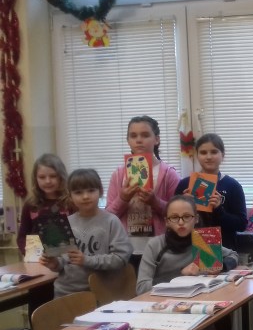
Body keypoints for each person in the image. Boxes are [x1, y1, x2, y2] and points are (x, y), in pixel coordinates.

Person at [136, 195, 235, 330]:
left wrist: (222, 265)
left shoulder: (203, 240)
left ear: (196, 219)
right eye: (174, 217)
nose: (181, 222)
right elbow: (141, 287)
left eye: (187, 217)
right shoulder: (156, 245)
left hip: (196, 309)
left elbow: (233, 255)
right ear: (167, 221)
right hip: (164, 311)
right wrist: (179, 275)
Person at [40, 169, 132, 297]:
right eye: (78, 192)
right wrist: (54, 263)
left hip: (100, 294)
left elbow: (121, 258)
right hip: (65, 292)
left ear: (100, 191)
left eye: (91, 190)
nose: (85, 196)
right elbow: (62, 263)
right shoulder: (63, 224)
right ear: (70, 195)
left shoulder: (111, 221)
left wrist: (87, 260)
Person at [107, 115, 180, 270]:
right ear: (128, 141)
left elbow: (178, 215)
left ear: (156, 139)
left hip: (160, 249)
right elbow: (108, 217)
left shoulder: (169, 174)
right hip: (126, 250)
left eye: (145, 135)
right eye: (133, 136)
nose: (139, 140)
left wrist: (155, 202)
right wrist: (123, 198)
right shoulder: (118, 174)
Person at [175, 133, 247, 250]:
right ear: (197, 155)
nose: (208, 157)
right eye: (203, 152)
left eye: (214, 152)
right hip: (189, 248)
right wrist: (184, 205)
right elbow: (173, 220)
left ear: (223, 155)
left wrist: (219, 210)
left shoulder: (233, 186)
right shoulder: (184, 184)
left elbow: (241, 224)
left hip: (224, 249)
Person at [17, 154, 74, 256]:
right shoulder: (30, 204)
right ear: (36, 179)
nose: (47, 181)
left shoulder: (70, 203)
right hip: (38, 258)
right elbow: (22, 236)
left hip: (67, 258)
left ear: (61, 177)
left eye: (53, 176)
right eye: (42, 177)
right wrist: (30, 253)